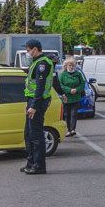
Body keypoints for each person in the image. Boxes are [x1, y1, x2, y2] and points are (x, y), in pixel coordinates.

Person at [22, 39, 64, 175]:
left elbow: (40, 87)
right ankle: (31, 162)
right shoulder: (36, 62)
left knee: (36, 134)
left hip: (38, 102)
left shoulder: (42, 64)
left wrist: (33, 105)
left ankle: (39, 166)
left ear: (35, 49)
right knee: (28, 134)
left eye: (28, 50)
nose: (27, 53)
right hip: (33, 100)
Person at [56, 57, 87, 137]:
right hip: (66, 97)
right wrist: (69, 90)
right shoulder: (62, 74)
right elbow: (60, 85)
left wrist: (77, 90)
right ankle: (68, 129)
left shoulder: (78, 74)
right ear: (66, 66)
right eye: (69, 65)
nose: (71, 67)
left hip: (76, 97)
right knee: (67, 114)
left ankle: (72, 129)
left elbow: (82, 84)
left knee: (74, 114)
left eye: (73, 65)